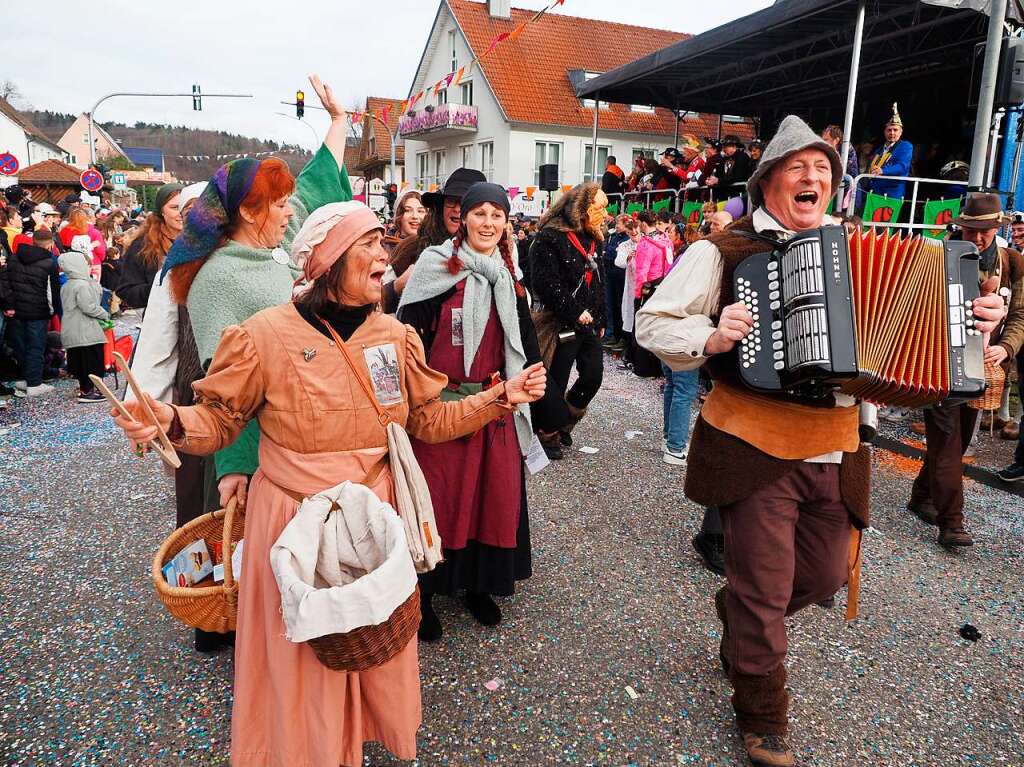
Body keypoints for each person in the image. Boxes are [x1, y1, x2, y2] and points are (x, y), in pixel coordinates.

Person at [111, 200, 547, 767]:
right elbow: (219, 421)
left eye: (381, 240)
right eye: (367, 242)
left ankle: (356, 736)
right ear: (327, 260)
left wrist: (497, 400)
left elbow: (425, 419)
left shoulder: (393, 334)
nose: (383, 252)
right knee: (303, 659)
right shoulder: (264, 335)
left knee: (370, 644)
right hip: (293, 521)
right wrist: (168, 419)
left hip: (375, 520)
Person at [636, 115, 1009, 766]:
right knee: (766, 586)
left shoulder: (857, 247)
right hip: (752, 442)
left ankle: (741, 612)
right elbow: (652, 323)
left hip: (837, 446)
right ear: (766, 180)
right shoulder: (723, 251)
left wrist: (976, 324)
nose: (814, 178)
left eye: (825, 170)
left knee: (824, 573)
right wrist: (715, 334)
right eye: (797, 167)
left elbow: (928, 348)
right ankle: (762, 714)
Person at [161, 74, 353, 571]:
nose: (292, 212)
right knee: (249, 563)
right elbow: (225, 388)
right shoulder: (217, 280)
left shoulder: (280, 246)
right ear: (249, 210)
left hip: (297, 439)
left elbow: (317, 179)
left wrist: (338, 121)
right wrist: (236, 465)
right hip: (253, 450)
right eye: (281, 204)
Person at [397, 181, 541, 641]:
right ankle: (426, 593)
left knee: (488, 499)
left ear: (505, 224)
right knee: (439, 502)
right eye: (479, 214)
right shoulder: (435, 267)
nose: (488, 223)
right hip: (443, 408)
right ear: (463, 219)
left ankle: (478, 585)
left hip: (495, 404)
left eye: (497, 215)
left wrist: (542, 393)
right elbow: (408, 340)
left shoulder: (507, 275)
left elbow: (522, 341)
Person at [906, 196, 1023, 549]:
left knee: (960, 436)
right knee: (948, 442)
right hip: (936, 360)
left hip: (982, 366)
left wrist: (1005, 348)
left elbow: (1021, 315)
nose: (978, 237)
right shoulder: (934, 257)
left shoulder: (1014, 263)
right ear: (960, 226)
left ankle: (922, 495)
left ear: (996, 229)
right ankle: (951, 522)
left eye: (986, 230)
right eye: (972, 229)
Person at [530, 183, 607, 454]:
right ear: (581, 210)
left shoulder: (594, 238)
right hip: (558, 321)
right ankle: (547, 431)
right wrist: (574, 311)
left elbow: (599, 281)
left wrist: (602, 319)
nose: (605, 214)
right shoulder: (549, 237)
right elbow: (544, 282)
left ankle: (564, 422)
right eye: (599, 208)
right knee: (556, 379)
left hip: (588, 323)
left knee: (593, 376)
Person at [386, 167, 487, 312]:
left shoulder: (497, 253)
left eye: (465, 202)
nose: (457, 209)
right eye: (451, 201)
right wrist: (397, 285)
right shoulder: (412, 248)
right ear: (441, 207)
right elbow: (376, 302)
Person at [3, 228, 62, 397]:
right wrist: (53, 311)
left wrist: (10, 305)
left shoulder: (13, 258)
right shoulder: (49, 263)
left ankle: (26, 378)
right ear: (50, 244)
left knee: (20, 346)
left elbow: (7, 283)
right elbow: (52, 291)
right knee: (35, 347)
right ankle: (34, 383)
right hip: (38, 310)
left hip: (16, 310)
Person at [117, 183, 183, 309]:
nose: (181, 213)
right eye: (174, 207)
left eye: (185, 207)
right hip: (160, 322)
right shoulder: (143, 246)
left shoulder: (203, 242)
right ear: (161, 211)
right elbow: (126, 291)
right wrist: (160, 288)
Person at [58, 249, 108, 403]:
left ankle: (85, 388)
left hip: (73, 330)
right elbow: (88, 306)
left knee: (79, 361)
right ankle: (88, 390)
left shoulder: (67, 285)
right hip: (85, 330)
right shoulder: (82, 285)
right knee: (91, 361)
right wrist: (104, 314)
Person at [865, 103, 913, 200]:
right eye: (889, 130)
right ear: (884, 132)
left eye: (895, 130)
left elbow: (902, 166)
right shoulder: (879, 149)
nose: (892, 133)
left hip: (892, 194)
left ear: (901, 132)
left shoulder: (905, 146)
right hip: (874, 192)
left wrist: (883, 170)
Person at [602, 214, 630, 351]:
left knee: (620, 307)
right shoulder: (615, 237)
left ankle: (621, 337)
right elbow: (608, 252)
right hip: (612, 276)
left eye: (619, 224)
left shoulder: (627, 238)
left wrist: (609, 253)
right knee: (611, 306)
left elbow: (613, 254)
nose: (617, 226)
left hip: (622, 278)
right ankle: (612, 335)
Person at [59, 207, 107, 280]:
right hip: (91, 262)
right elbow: (100, 251)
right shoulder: (92, 231)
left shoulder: (64, 231)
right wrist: (100, 258)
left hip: (69, 263)